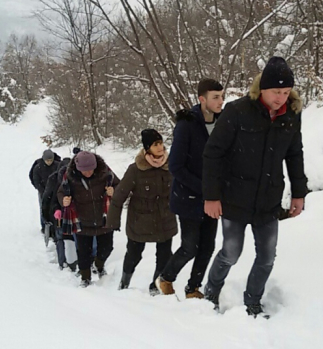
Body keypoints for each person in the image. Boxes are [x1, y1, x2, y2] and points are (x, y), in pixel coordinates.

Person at [202, 57, 308, 317]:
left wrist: (299, 192)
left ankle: (253, 302)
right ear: (262, 88)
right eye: (276, 92)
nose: (281, 97)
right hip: (234, 198)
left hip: (268, 201)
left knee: (267, 257)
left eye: (286, 92)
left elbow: (295, 155)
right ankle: (211, 292)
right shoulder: (238, 111)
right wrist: (211, 196)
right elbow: (213, 153)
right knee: (231, 252)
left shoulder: (292, 115)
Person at [155, 79, 224, 299]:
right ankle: (166, 277)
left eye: (222, 96)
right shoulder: (187, 124)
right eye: (215, 97)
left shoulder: (224, 122)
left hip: (213, 197)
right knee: (190, 246)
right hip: (188, 197)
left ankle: (193, 288)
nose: (220, 101)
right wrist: (204, 188)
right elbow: (176, 166)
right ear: (202, 99)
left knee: (208, 246)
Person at [108, 129, 178, 296]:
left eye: (161, 143)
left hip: (165, 220)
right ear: (147, 148)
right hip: (140, 221)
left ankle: (155, 286)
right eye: (155, 144)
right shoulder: (135, 170)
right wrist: (113, 221)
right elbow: (119, 196)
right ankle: (124, 283)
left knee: (164, 256)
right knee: (133, 254)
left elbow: (181, 188)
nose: (160, 147)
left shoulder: (172, 165)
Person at [58, 151, 120, 287]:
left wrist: (114, 191)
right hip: (81, 220)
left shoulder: (105, 172)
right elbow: (61, 192)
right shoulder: (70, 177)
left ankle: (99, 264)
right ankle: (85, 278)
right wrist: (64, 200)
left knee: (107, 248)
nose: (88, 173)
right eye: (84, 171)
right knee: (83, 253)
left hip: (104, 219)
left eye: (91, 169)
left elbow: (119, 185)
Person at [42, 158, 78, 271]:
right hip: (57, 212)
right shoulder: (54, 179)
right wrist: (47, 215)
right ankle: (63, 262)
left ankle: (72, 262)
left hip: (72, 213)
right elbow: (47, 198)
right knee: (60, 238)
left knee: (70, 238)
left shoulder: (76, 178)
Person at [32, 150, 60, 232]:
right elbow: (36, 180)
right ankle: (44, 226)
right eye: (47, 160)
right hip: (43, 192)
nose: (49, 162)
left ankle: (54, 225)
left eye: (51, 160)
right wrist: (42, 191)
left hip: (55, 191)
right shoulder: (38, 168)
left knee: (54, 207)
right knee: (43, 208)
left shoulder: (57, 165)